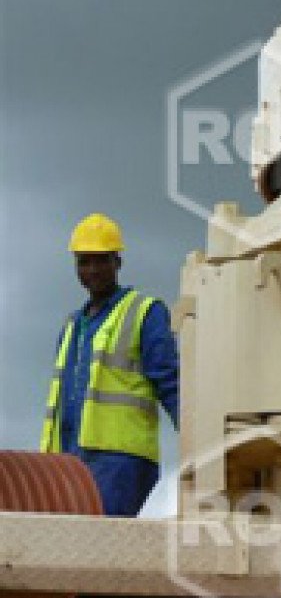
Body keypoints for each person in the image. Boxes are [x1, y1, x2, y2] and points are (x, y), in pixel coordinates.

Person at [40, 214, 180, 517]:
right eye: (84, 261)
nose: (92, 270)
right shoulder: (72, 326)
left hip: (120, 460)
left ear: (118, 262)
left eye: (101, 260)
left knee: (98, 546)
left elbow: (171, 383)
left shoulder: (144, 312)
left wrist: (198, 440)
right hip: (68, 460)